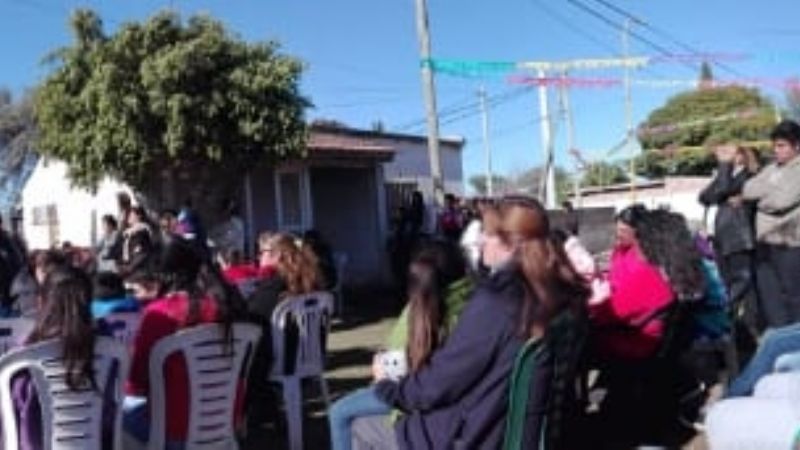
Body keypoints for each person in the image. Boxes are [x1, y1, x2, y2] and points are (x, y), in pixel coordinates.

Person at [350, 196, 589, 450]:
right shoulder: (560, 295)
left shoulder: (497, 301)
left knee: (359, 426)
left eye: (486, 234)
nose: (479, 240)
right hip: (518, 432)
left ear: (510, 243)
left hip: (475, 435)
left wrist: (386, 387)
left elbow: (437, 386)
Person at [328, 240, 473, 450]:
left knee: (340, 413)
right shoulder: (477, 304)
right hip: (446, 402)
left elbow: (396, 365)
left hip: (420, 400)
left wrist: (382, 376)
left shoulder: (420, 311)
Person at [123, 239, 245, 448]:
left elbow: (135, 384)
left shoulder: (158, 313)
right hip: (224, 420)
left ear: (163, 275)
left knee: (120, 411)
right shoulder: (224, 308)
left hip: (174, 430)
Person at [13, 265, 118, 450]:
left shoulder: (26, 352)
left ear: (41, 302)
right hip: (96, 442)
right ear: (89, 301)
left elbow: (16, 404)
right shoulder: (109, 346)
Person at [245, 233, 324, 425]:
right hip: (309, 359)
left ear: (277, 256)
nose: (258, 257)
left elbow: (252, 316)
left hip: (283, 363)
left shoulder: (273, 286)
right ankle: (265, 407)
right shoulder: (308, 281)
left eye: (262, 252)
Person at [589, 205, 675, 361]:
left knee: (580, 340)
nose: (617, 234)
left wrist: (590, 309)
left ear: (638, 232)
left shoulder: (643, 265)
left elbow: (616, 311)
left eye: (622, 231)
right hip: (635, 325)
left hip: (639, 338)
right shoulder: (634, 253)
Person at [743, 120, 800, 328]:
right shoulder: (771, 168)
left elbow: (781, 201)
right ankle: (779, 344)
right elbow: (748, 189)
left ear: (797, 146)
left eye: (782, 145)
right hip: (765, 243)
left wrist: (761, 197)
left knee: (793, 298)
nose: (776, 150)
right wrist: (769, 188)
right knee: (771, 299)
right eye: (775, 146)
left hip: (789, 244)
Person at [699, 144, 760, 334]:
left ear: (743, 156)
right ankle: (736, 325)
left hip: (739, 237)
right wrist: (723, 173)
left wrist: (724, 166)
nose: (728, 157)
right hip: (721, 239)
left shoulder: (749, 176)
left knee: (741, 280)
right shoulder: (726, 175)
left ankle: (735, 316)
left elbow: (724, 189)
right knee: (728, 282)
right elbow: (705, 197)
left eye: (732, 153)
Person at [120, 206, 154, 277]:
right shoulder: (129, 233)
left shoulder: (142, 232)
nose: (128, 217)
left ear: (139, 216)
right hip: (131, 268)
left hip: (139, 271)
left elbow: (142, 253)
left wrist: (129, 268)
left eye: (131, 215)